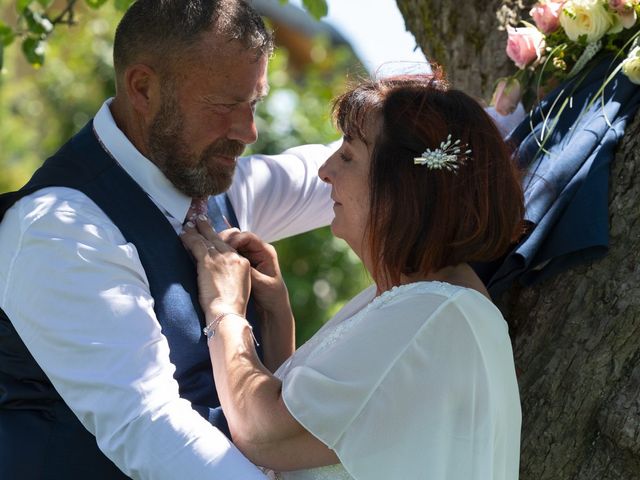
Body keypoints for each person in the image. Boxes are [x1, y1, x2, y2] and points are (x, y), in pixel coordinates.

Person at [0, 1, 334, 479]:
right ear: (143, 88)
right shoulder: (61, 229)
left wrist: (471, 128)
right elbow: (149, 427)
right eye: (225, 106)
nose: (248, 131)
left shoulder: (214, 182)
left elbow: (336, 174)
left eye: (254, 103)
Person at [181, 71, 526, 479]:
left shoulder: (434, 316)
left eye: (347, 156)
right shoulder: (419, 301)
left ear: (403, 189)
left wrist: (225, 308)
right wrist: (276, 316)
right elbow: (316, 432)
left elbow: (265, 434)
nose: (325, 170)